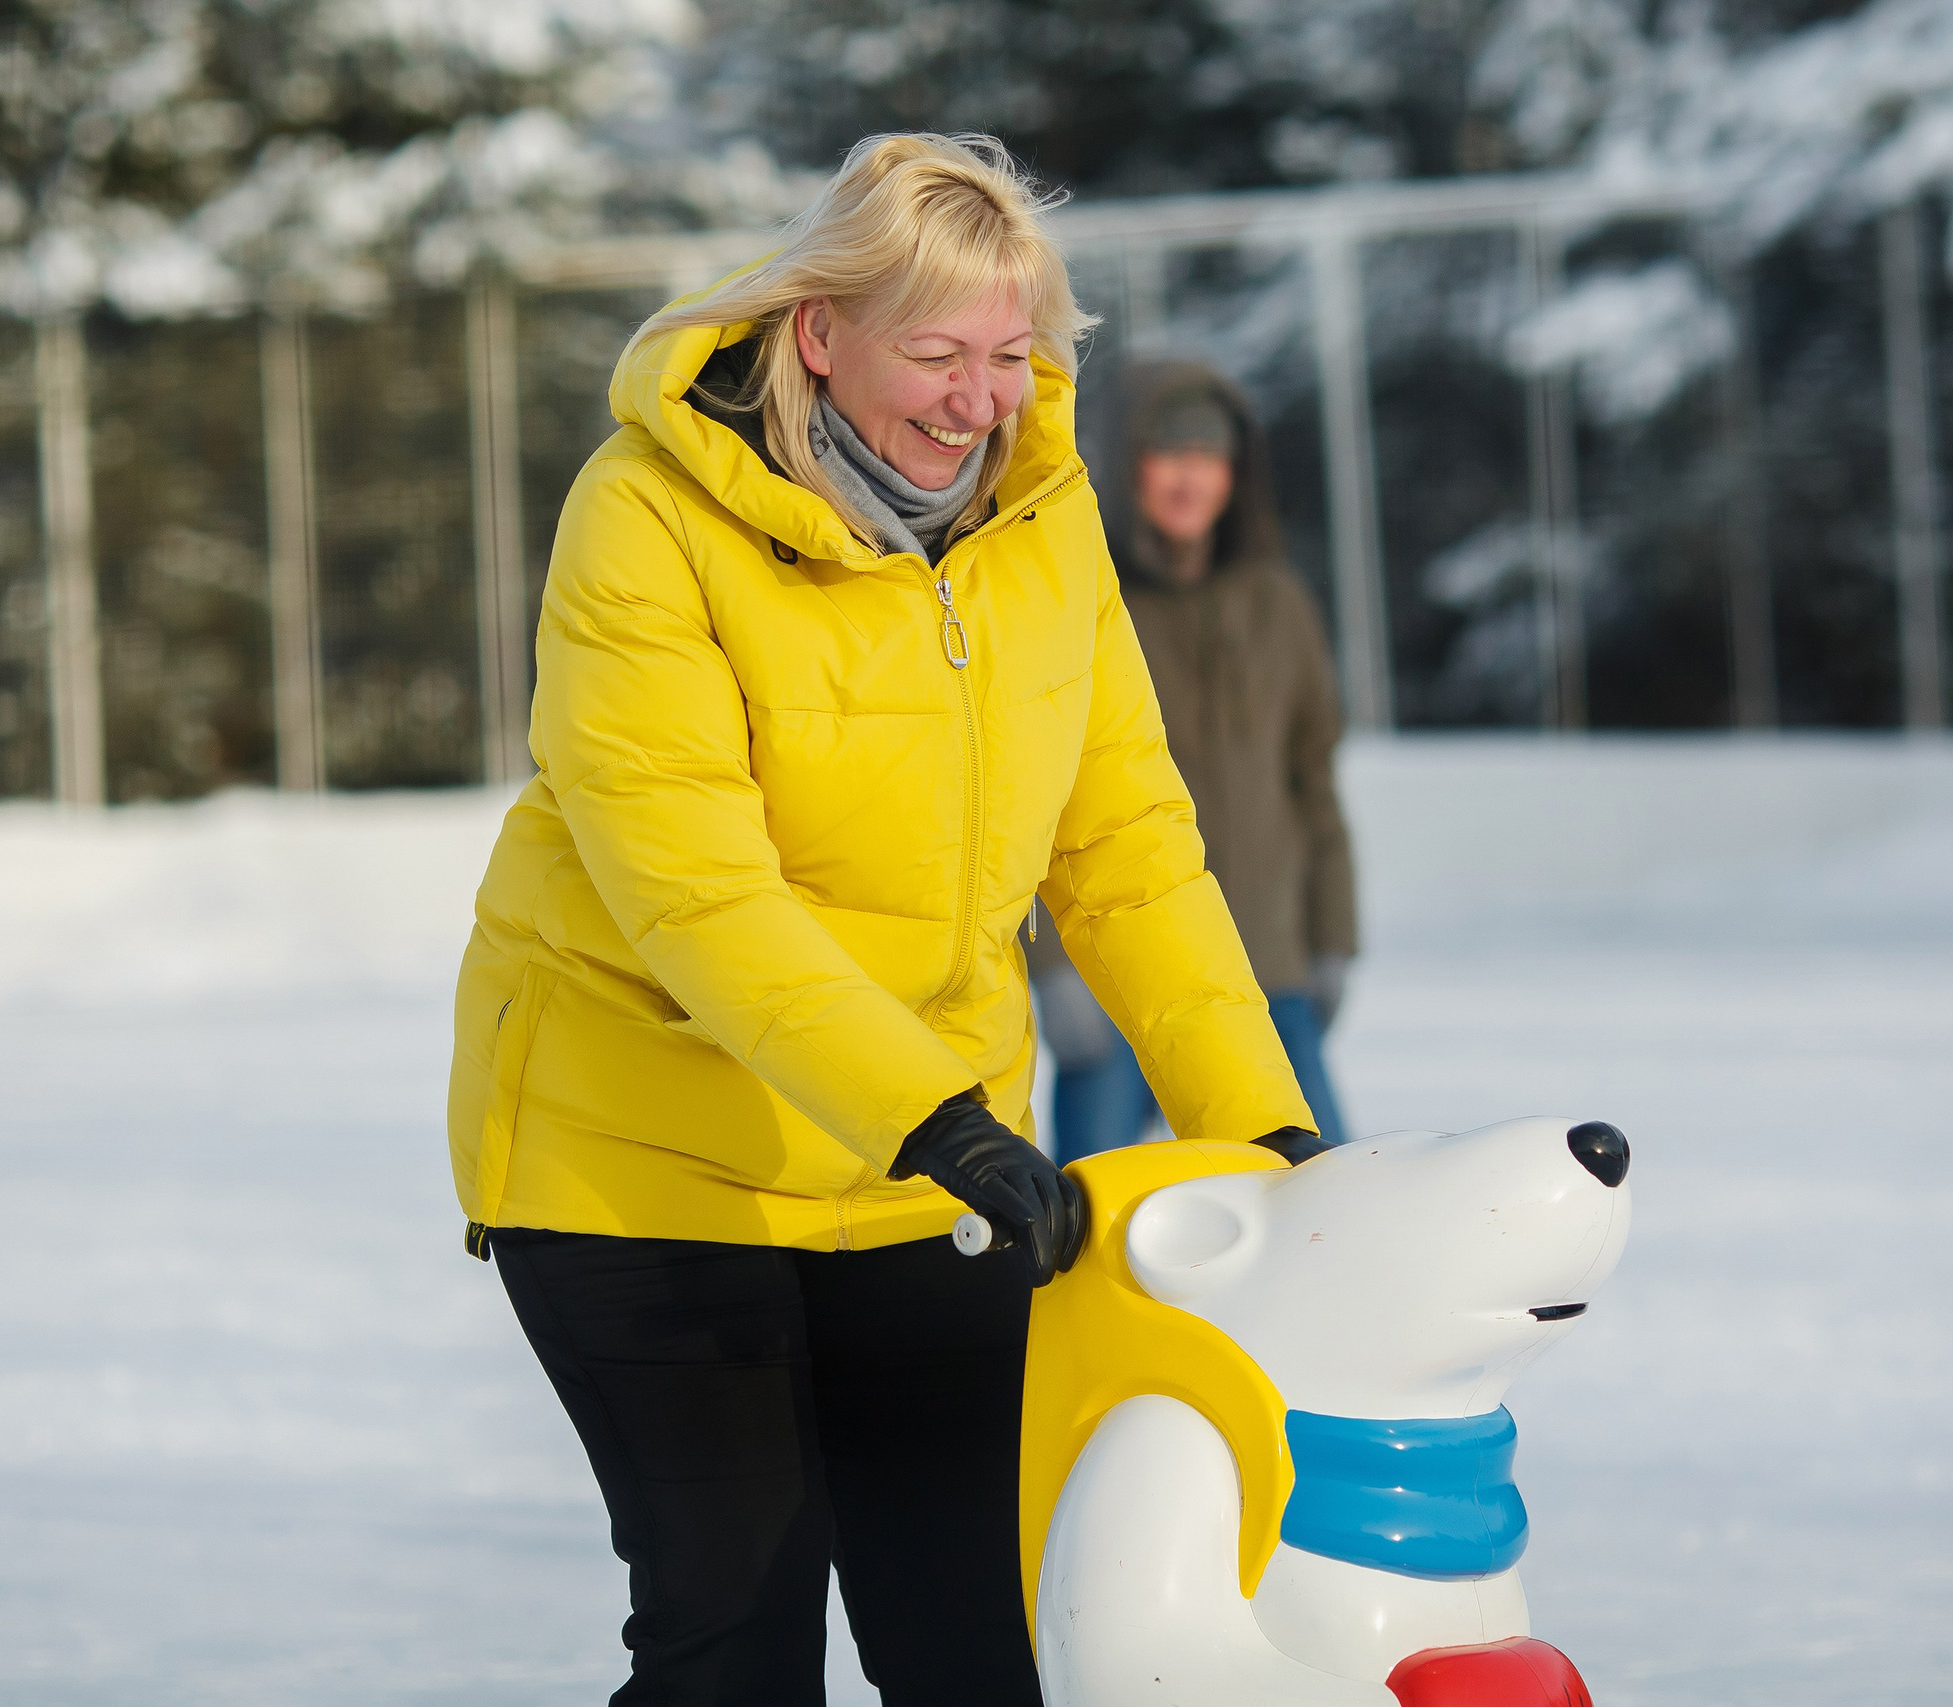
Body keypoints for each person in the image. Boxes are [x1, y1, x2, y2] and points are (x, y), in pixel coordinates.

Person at [444, 135, 1326, 1707]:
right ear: (817, 334)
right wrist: (934, 1111)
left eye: (1011, 355)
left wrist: (1266, 1125)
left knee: (986, 1632)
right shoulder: (646, 514)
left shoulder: (1044, 520)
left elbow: (1125, 845)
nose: (978, 399)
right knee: (740, 1626)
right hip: (641, 1154)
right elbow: (692, 888)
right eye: (935, 352)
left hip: (922, 1168)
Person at [1032, 360, 1359, 1160]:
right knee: (1091, 1225)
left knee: (1323, 1195)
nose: (1191, 477)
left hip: (1265, 971)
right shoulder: (1080, 598)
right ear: (1127, 460)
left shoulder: (1278, 605)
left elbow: (1313, 782)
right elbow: (1033, 793)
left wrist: (1334, 935)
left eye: (1209, 458)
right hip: (1119, 979)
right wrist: (1048, 964)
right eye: (1168, 453)